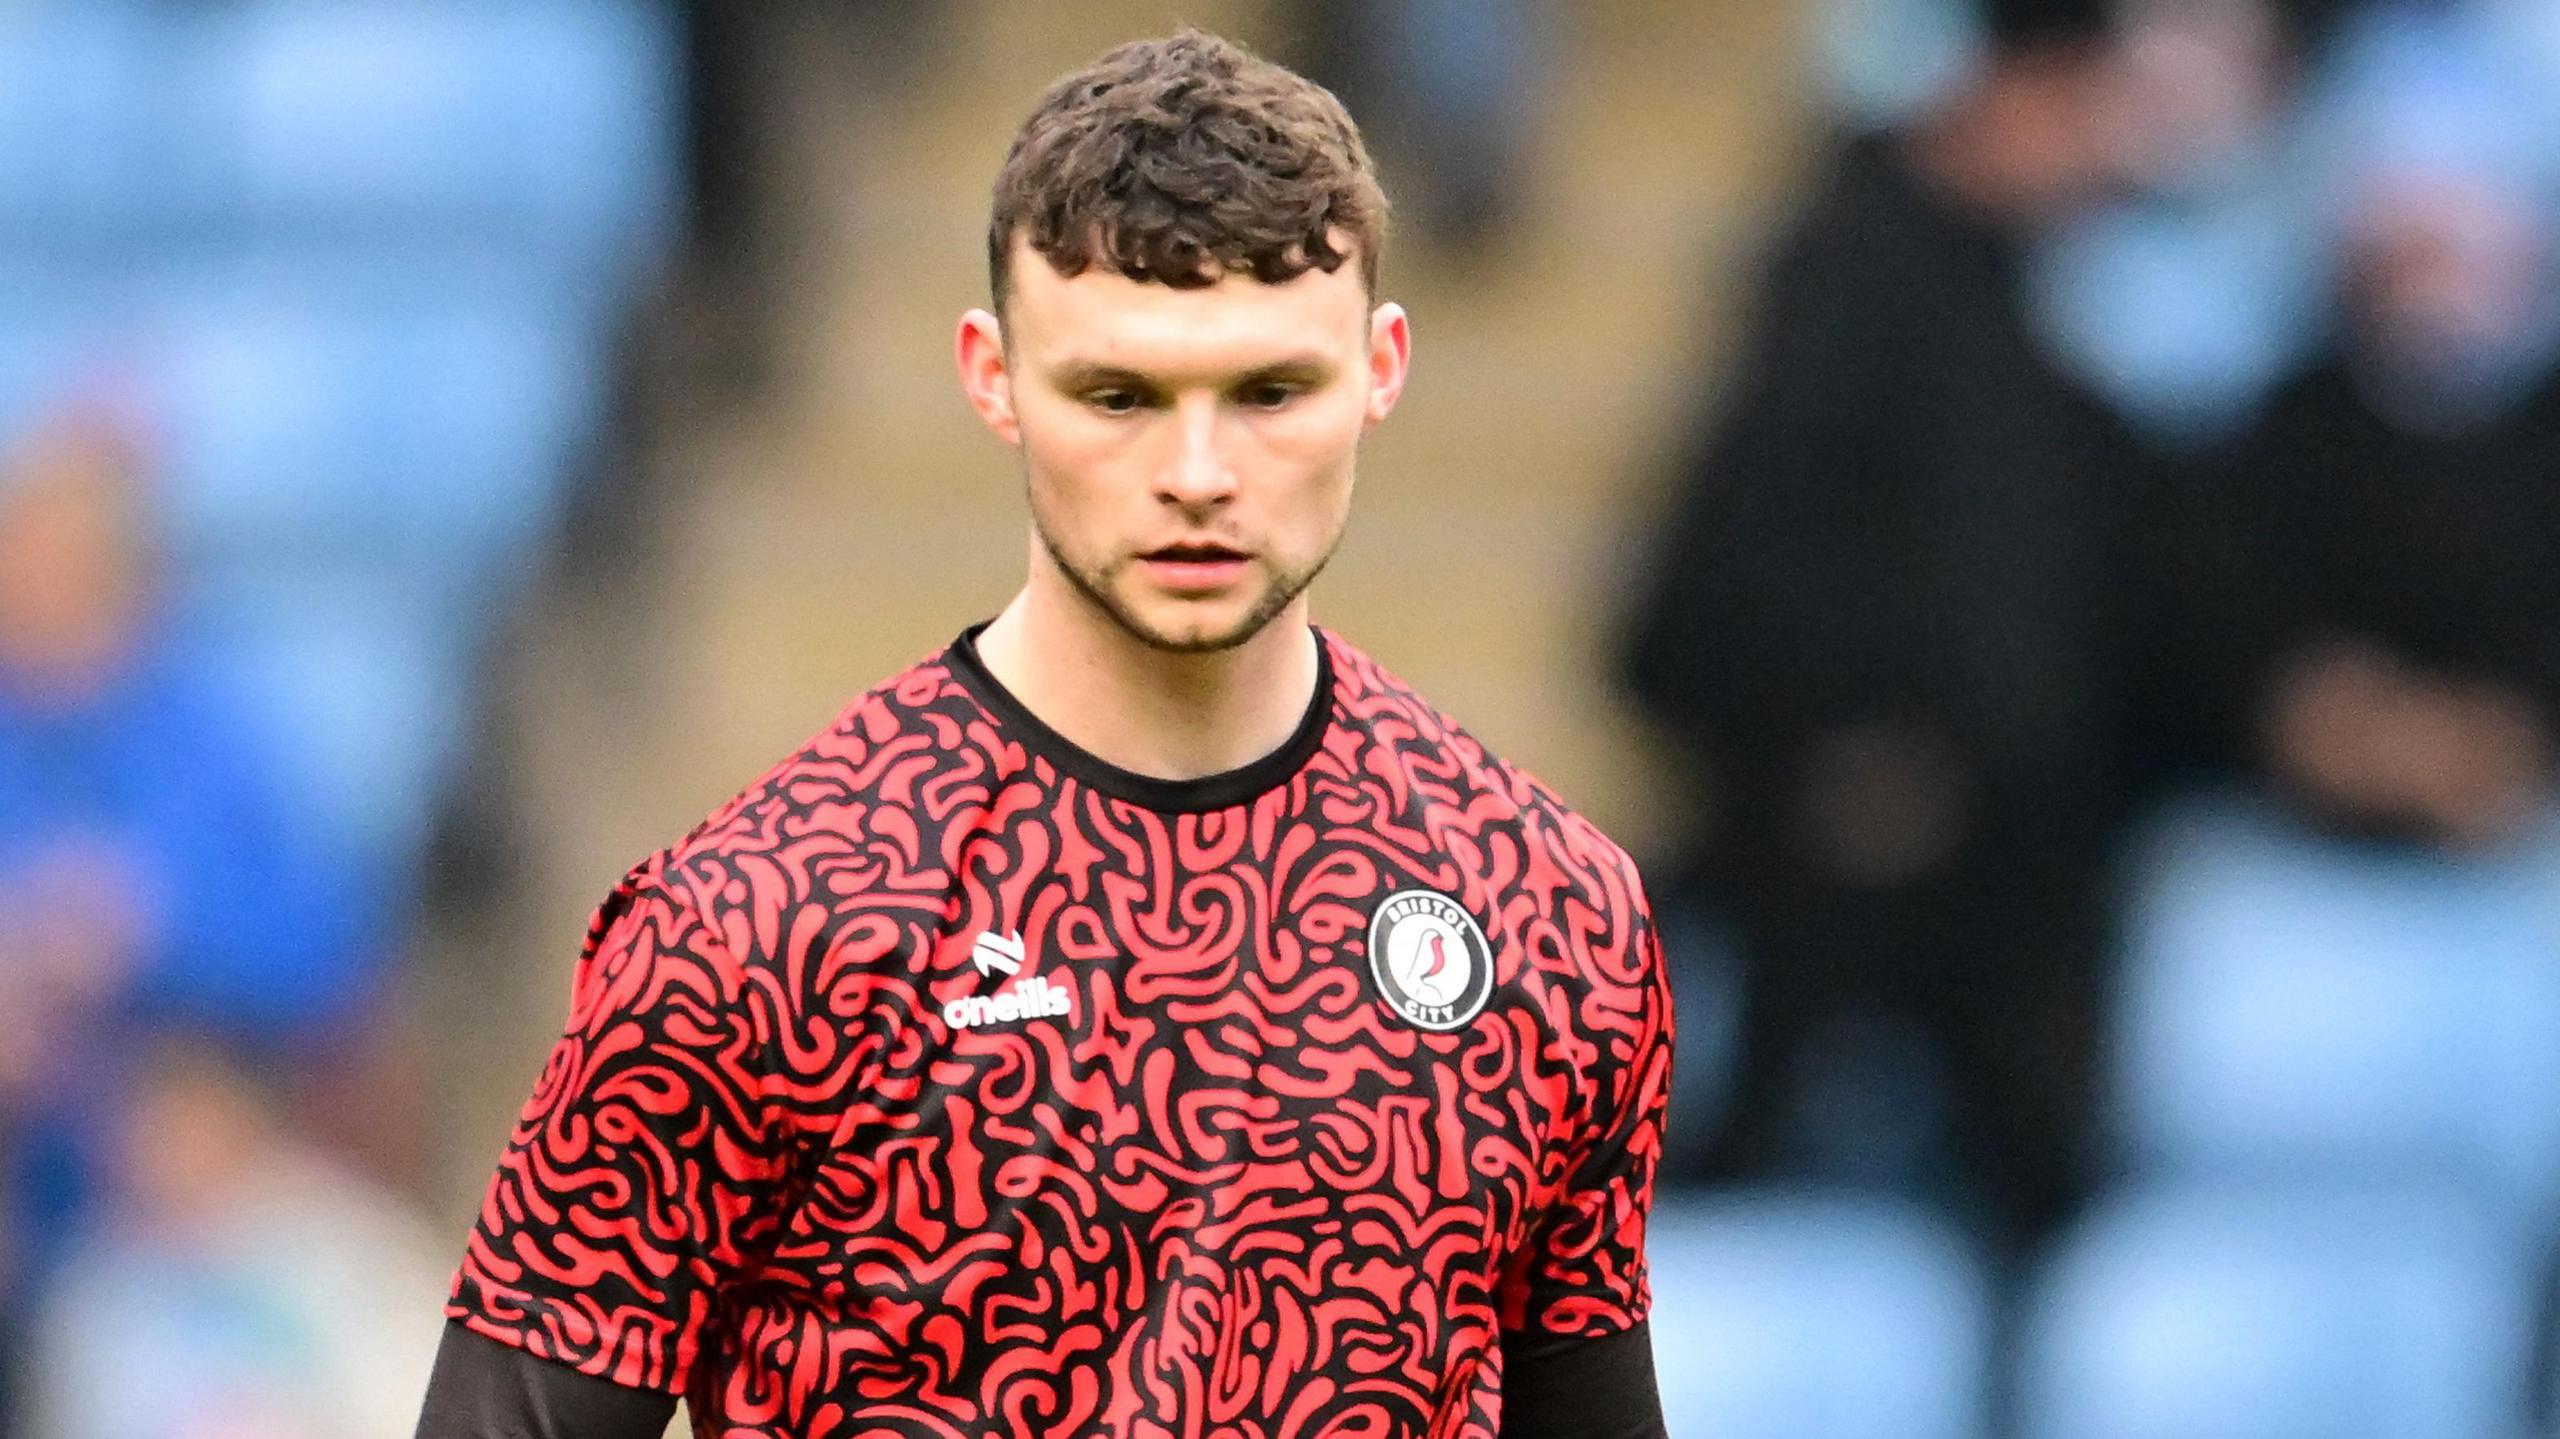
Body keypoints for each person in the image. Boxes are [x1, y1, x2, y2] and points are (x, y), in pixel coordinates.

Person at [414, 30, 1674, 1439]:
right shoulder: (761, 922)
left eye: (1270, 391)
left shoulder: (1551, 909)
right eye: (1118, 395)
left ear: (1380, 366)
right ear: (994, 375)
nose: (1198, 475)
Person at [1620, 0, 2165, 1252]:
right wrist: (1849, 746)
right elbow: (1726, 574)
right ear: (2024, 91)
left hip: (2002, 845)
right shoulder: (1852, 281)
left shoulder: (2028, 288)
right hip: (1834, 828)